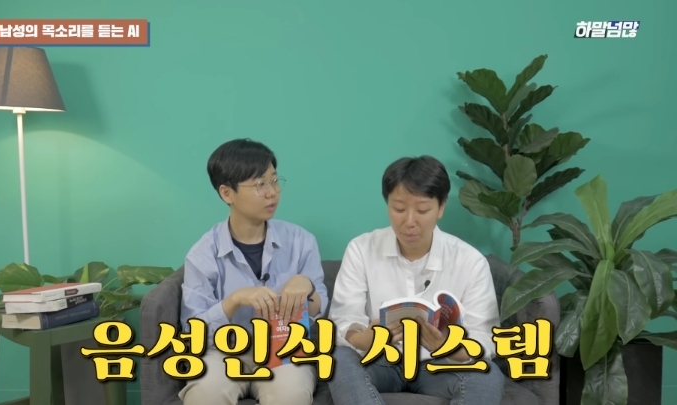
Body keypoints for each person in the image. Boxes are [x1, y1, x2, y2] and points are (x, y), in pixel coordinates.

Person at [327, 155, 505, 405]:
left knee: (487, 374)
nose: (409, 222)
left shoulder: (469, 261)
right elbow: (343, 321)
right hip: (379, 360)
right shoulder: (361, 249)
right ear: (387, 205)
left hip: (439, 364)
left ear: (441, 207)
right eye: (399, 209)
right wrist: (366, 338)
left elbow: (485, 340)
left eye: (422, 210)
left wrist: (447, 346)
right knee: (337, 360)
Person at [178, 138, 329, 405]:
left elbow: (319, 310)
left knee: (291, 393)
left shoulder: (301, 241)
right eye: (260, 185)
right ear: (227, 193)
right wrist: (234, 300)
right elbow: (193, 334)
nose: (272, 192)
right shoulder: (203, 254)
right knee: (205, 392)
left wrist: (307, 286)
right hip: (222, 352)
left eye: (274, 181)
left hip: (284, 348)